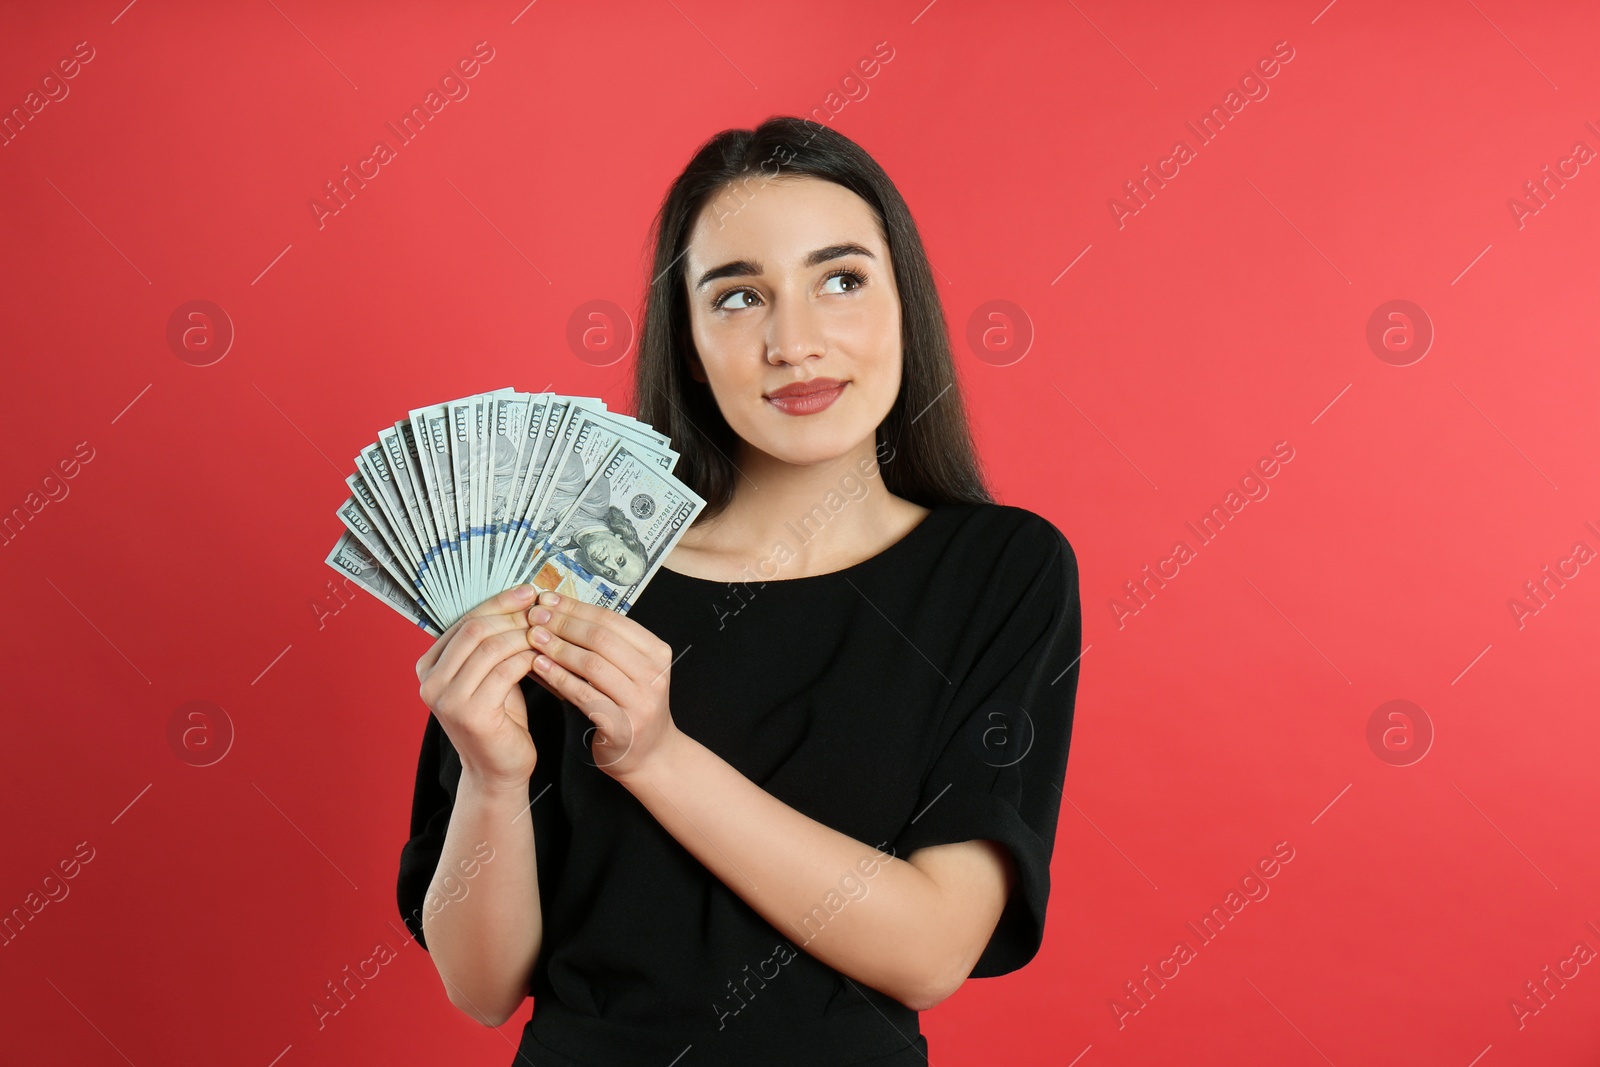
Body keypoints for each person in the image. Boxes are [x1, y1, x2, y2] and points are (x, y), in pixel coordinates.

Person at [399, 116, 1083, 1067]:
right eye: (737, 297)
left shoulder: (1000, 570)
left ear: (904, 306)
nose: (793, 342)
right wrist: (491, 774)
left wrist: (656, 757)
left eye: (840, 280)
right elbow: (481, 989)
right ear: (685, 340)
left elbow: (931, 950)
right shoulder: (564, 567)